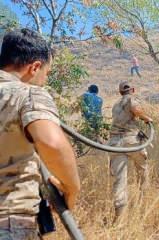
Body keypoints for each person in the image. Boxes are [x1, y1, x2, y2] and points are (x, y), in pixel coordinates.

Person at [0, 29, 80, 239]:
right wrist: (71, 188)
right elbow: (51, 143)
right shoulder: (27, 94)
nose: (45, 79)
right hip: (9, 219)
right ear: (34, 67)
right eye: (47, 72)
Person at [108, 81, 152, 222]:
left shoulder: (115, 105)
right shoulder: (131, 99)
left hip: (115, 144)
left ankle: (119, 219)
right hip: (131, 141)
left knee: (120, 181)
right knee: (143, 171)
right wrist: (147, 118)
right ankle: (144, 204)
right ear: (133, 90)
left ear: (120, 92)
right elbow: (135, 108)